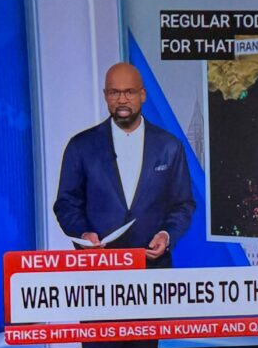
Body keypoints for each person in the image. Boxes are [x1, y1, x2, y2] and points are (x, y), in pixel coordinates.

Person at [53, 62, 195, 271]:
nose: (121, 100)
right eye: (114, 93)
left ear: (142, 95)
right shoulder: (80, 146)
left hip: (153, 269)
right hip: (99, 268)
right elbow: (66, 203)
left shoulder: (169, 146)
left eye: (129, 92)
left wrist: (166, 235)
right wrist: (83, 233)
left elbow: (183, 204)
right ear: (105, 95)